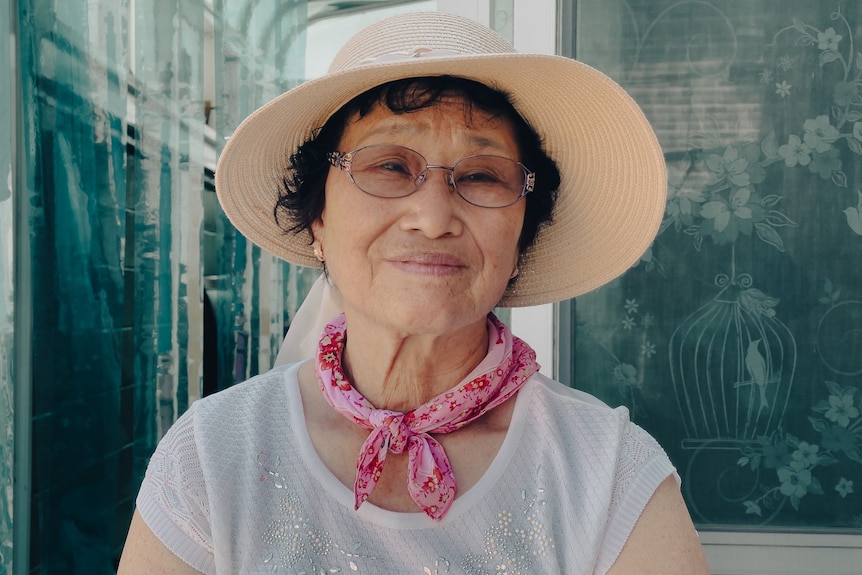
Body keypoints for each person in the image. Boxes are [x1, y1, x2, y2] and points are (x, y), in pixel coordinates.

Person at [118, 11, 711, 574]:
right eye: (389, 166)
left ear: (520, 238)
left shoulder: (608, 475)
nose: (432, 217)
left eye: (481, 175)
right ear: (318, 219)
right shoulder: (213, 455)